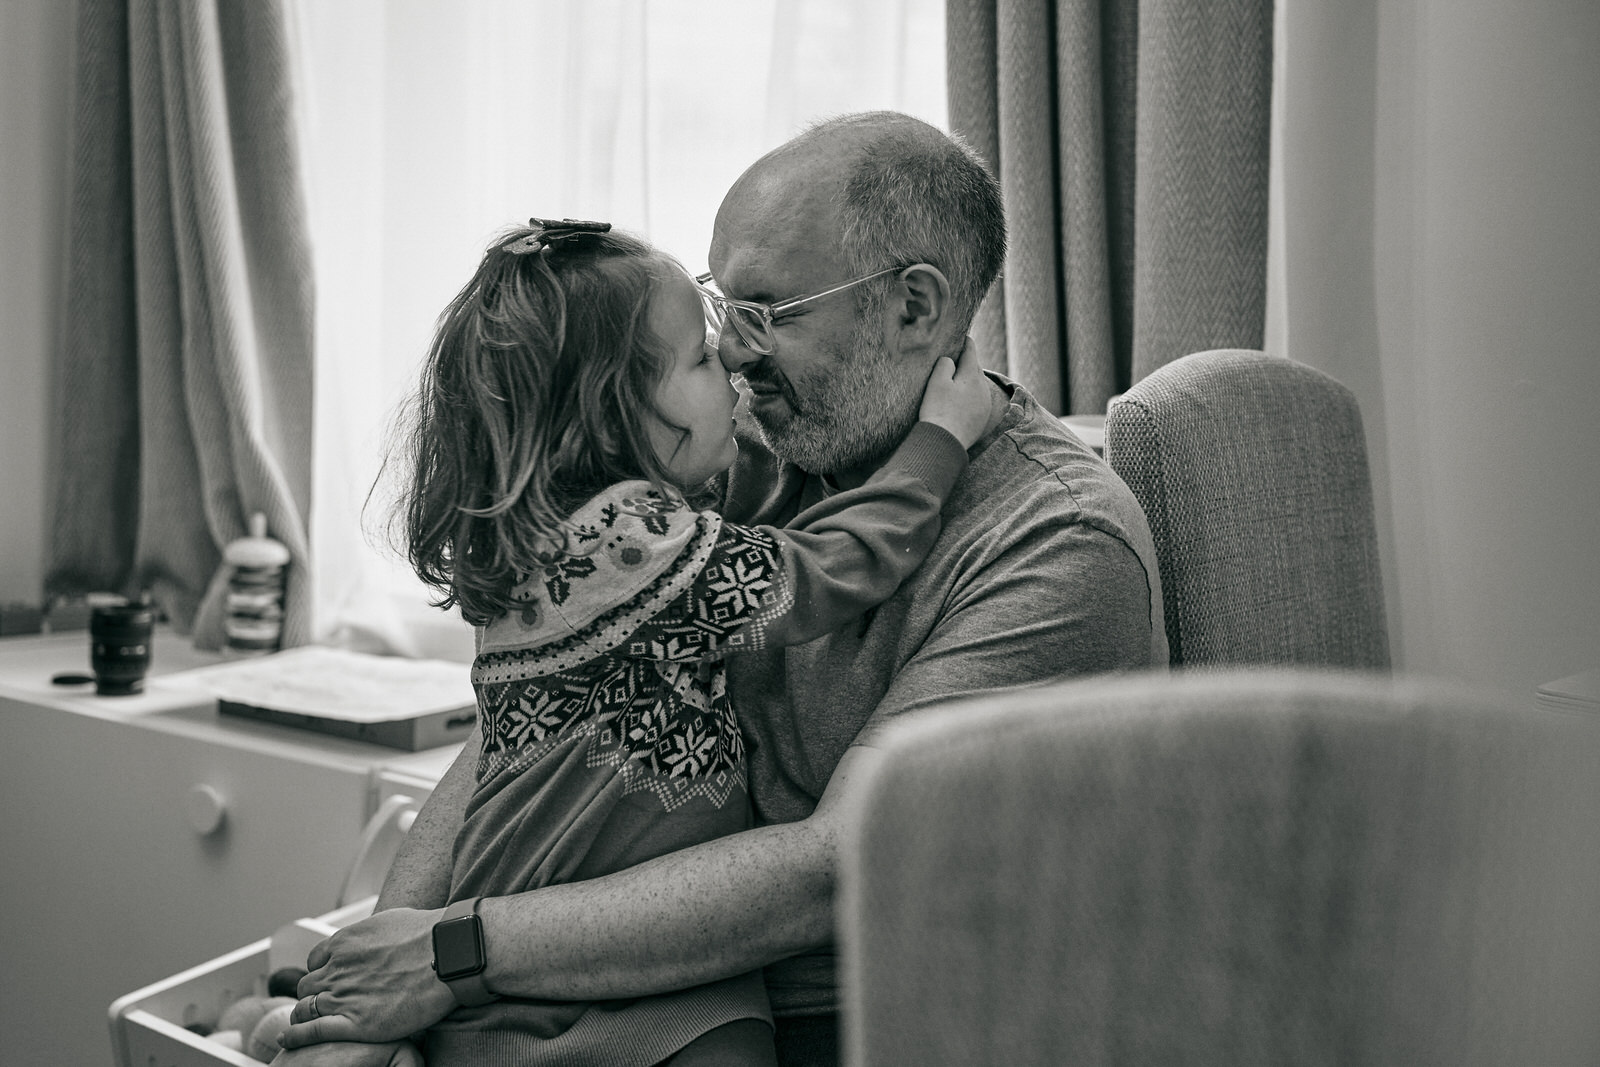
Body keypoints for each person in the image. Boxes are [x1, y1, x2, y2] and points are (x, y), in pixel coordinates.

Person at [276, 112, 1166, 1067]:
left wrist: (455, 951)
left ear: (914, 308)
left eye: (768, 312)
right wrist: (378, 981)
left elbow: (835, 871)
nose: (733, 355)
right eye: (716, 310)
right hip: (561, 976)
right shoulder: (730, 460)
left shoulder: (1054, 543)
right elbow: (521, 716)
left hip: (822, 1027)